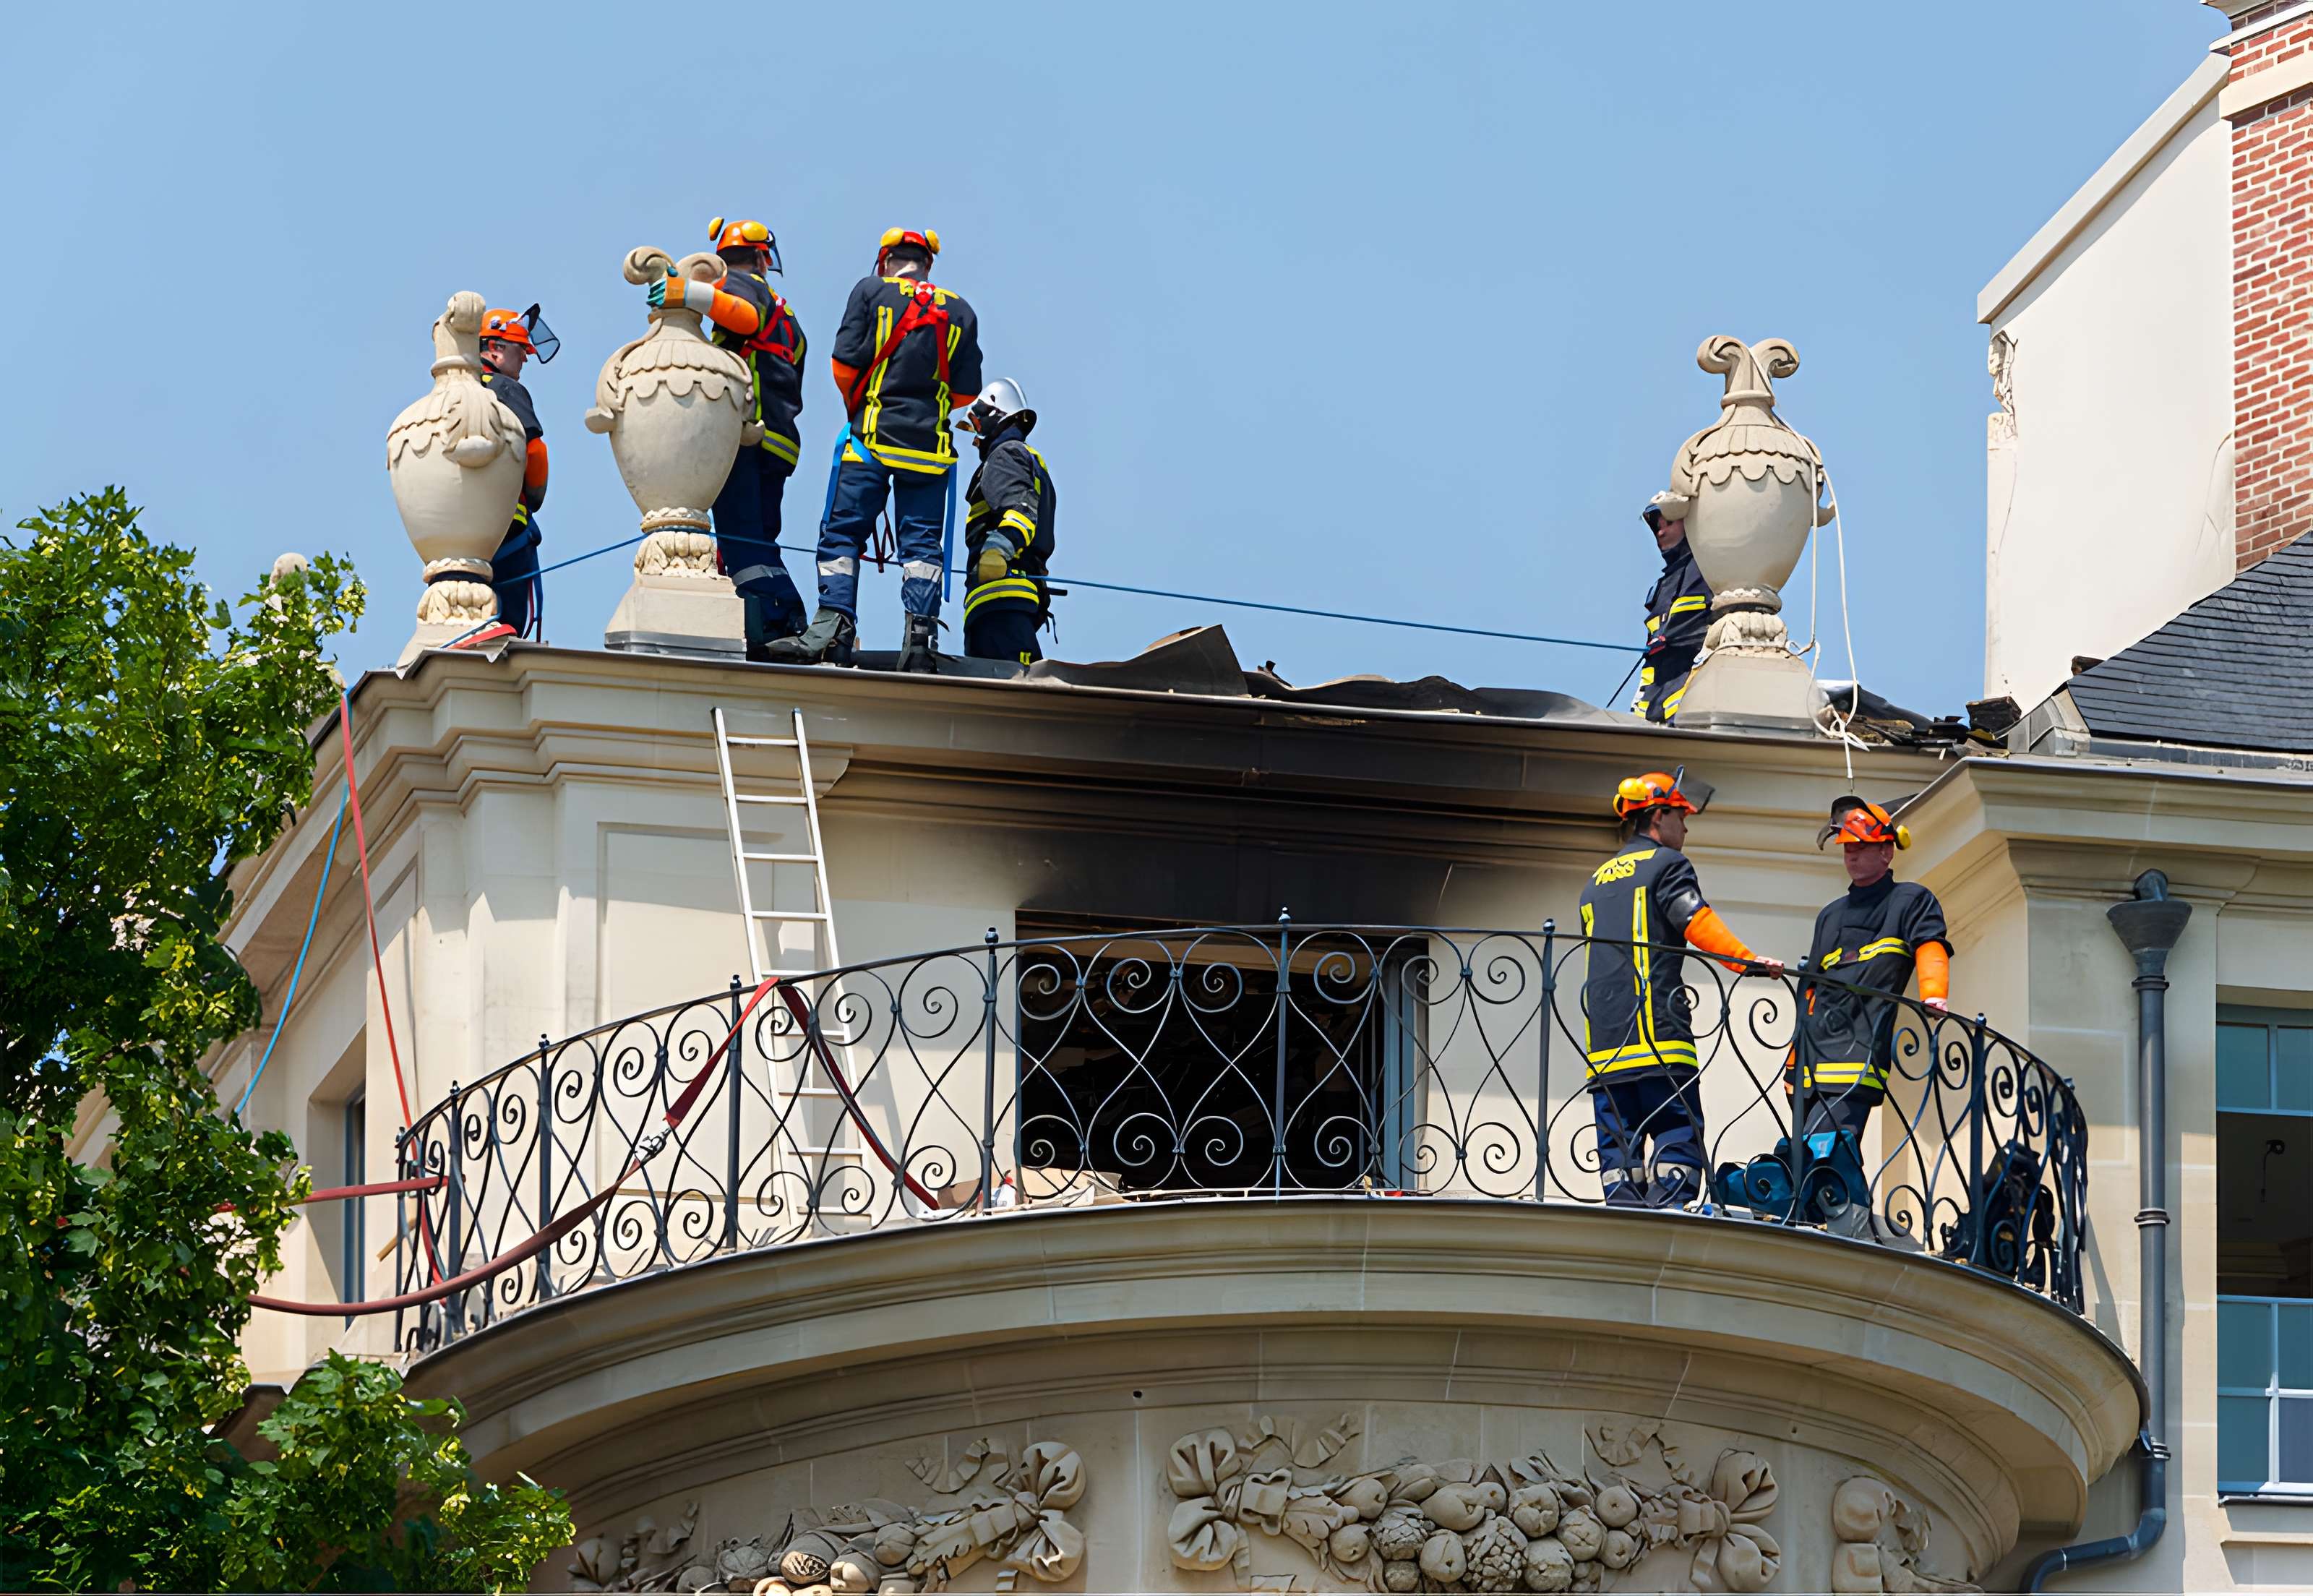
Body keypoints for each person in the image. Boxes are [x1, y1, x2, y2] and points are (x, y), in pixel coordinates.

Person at [768, 227, 983, 672]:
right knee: (923, 549)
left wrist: (859, 407)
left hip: (870, 440)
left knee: (843, 534)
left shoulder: (871, 291)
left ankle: (834, 632)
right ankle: (920, 645)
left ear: (885, 260)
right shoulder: (960, 310)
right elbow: (966, 392)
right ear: (928, 265)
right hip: (931, 451)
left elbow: (843, 365)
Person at [1577, 770, 1782, 1207]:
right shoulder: (1667, 865)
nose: (1686, 827)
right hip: (1656, 1034)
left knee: (1619, 1146)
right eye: (1681, 816)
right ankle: (1670, 1214)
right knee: (1676, 1129)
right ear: (1658, 817)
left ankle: (1625, 1216)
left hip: (1604, 1043)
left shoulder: (1595, 881)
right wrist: (1745, 962)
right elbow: (1696, 921)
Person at [643, 218, 811, 659]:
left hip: (747, 437)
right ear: (764, 255)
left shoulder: (741, 285)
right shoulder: (787, 313)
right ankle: (766, 614)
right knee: (759, 539)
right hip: (780, 441)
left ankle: (780, 617)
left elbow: (744, 317)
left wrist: (689, 295)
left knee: (743, 541)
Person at [1788, 797, 1952, 1141]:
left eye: (1861, 847)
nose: (1851, 855)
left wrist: (1934, 994)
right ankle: (1847, 1197)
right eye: (1848, 847)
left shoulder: (1910, 901)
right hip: (1812, 1063)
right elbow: (1811, 990)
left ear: (1887, 852)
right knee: (1809, 1162)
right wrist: (1792, 1061)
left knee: (1828, 1150)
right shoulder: (1830, 915)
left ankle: (1849, 1198)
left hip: (1858, 1056)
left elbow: (1929, 945)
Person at [958, 378, 1055, 664]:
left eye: (976, 425)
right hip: (1008, 596)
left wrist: (997, 550)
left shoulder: (1005, 454)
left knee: (1008, 687)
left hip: (1001, 594)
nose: (975, 438)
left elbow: (1021, 509)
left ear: (994, 415)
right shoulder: (1027, 457)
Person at [477, 305, 557, 636]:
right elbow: (535, 451)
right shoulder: (505, 389)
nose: (525, 358)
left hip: (467, 525)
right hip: (510, 524)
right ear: (495, 349)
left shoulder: (464, 391)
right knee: (512, 621)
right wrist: (535, 496)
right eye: (520, 349)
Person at [1632, 491, 1712, 722]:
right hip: (1655, 705)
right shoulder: (1661, 589)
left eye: (1668, 523)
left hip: (1695, 696)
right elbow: (1651, 661)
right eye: (1657, 527)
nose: (1661, 532)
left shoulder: (1710, 568)